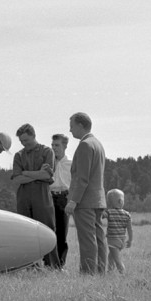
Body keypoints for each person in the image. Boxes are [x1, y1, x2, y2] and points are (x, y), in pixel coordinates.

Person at [11, 124, 61, 268]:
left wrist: (26, 172)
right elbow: (17, 179)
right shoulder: (19, 155)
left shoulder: (47, 152)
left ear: (34, 136)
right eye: (21, 141)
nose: (24, 144)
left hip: (42, 195)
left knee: (48, 229)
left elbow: (47, 174)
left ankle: (52, 265)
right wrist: (37, 174)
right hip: (23, 196)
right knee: (25, 230)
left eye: (26, 140)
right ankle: (28, 265)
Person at [65, 112, 107, 274]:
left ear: (81, 125)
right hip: (97, 200)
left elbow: (82, 178)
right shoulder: (97, 144)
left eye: (72, 126)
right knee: (98, 238)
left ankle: (88, 274)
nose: (70, 130)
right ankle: (100, 271)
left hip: (84, 201)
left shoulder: (85, 145)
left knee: (87, 240)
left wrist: (73, 200)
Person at [48, 133, 72, 266]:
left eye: (57, 145)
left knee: (62, 232)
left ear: (65, 146)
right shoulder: (48, 163)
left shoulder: (71, 164)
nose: (54, 148)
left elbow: (74, 183)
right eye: (52, 145)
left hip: (63, 197)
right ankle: (48, 263)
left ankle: (60, 265)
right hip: (49, 197)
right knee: (48, 230)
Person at [104, 189, 133, 274]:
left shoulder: (109, 212)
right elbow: (130, 229)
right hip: (122, 241)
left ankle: (122, 272)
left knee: (117, 259)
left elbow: (101, 216)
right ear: (121, 201)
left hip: (113, 240)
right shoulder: (127, 214)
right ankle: (110, 271)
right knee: (111, 256)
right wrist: (130, 240)